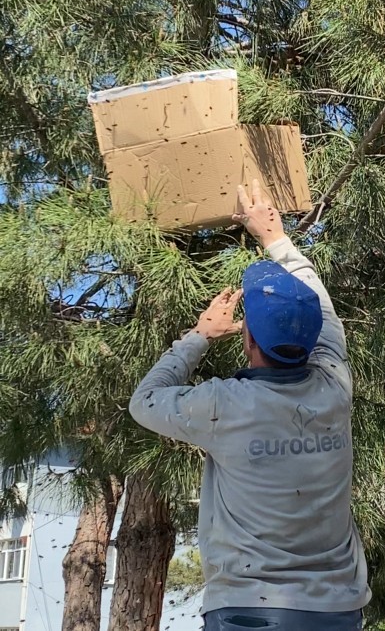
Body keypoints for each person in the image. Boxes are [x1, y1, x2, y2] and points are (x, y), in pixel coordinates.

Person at [129, 179, 371, 631]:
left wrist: (198, 336)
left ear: (248, 338)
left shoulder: (225, 405)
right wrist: (274, 237)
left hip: (251, 609)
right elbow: (322, 308)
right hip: (338, 609)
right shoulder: (334, 384)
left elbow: (145, 402)